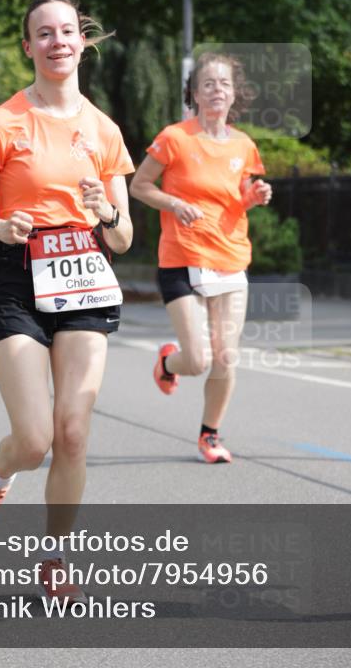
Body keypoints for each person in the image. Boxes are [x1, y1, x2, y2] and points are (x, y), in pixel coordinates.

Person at [0, 0, 134, 601]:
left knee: (74, 432)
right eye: (44, 34)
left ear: (84, 42)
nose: (58, 43)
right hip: (17, 276)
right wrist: (0, 226)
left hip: (84, 272)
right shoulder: (3, 123)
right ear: (29, 47)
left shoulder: (104, 130)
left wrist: (105, 209)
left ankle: (55, 557)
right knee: (35, 439)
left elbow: (126, 237)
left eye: (67, 32)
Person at [129, 52, 272, 464]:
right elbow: (140, 186)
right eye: (208, 84)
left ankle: (210, 435)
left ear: (234, 94)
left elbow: (237, 196)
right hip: (182, 259)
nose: (217, 91)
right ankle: (169, 362)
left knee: (226, 356)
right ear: (194, 93)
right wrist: (173, 203)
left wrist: (254, 196)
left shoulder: (244, 144)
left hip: (230, 257)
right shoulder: (175, 137)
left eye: (224, 84)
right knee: (197, 360)